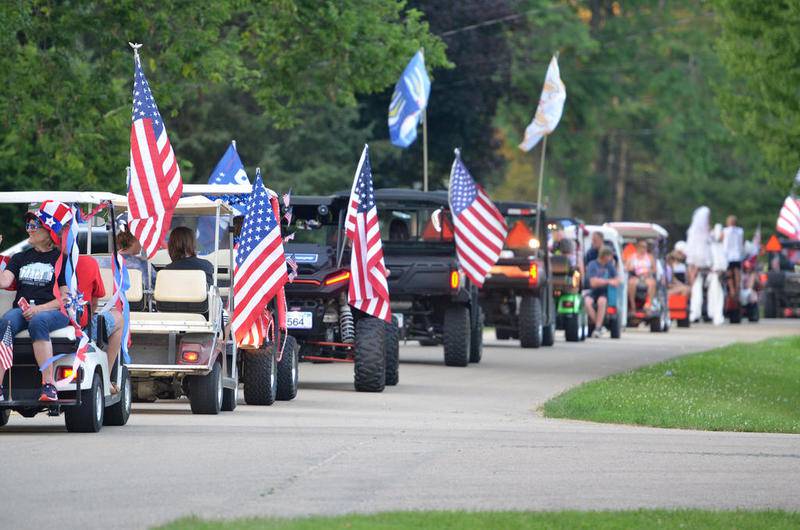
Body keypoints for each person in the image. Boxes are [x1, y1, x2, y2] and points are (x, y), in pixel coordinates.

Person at [0, 202, 72, 402]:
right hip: (23, 310)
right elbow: (4, 281)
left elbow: (65, 299)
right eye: (28, 225)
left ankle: (48, 386)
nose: (29, 229)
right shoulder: (20, 257)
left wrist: (38, 309)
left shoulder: (61, 260)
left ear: (48, 231)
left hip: (52, 311)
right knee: (6, 321)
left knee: (37, 321)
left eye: (34, 225)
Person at [75, 255, 124, 393]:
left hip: (33, 324)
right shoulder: (87, 262)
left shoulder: (28, 260)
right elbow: (94, 302)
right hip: (79, 329)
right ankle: (106, 380)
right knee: (118, 319)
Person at [584, 247, 620, 338]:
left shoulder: (610, 266)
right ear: (605, 256)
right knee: (587, 302)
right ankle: (599, 325)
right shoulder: (593, 265)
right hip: (593, 291)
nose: (611, 258)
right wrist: (608, 281)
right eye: (610, 256)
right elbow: (593, 282)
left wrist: (600, 281)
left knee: (602, 301)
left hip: (605, 292)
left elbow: (617, 281)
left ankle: (597, 328)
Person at [626, 239, 657, 312]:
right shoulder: (632, 257)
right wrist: (631, 268)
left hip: (646, 276)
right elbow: (626, 267)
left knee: (652, 283)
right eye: (642, 247)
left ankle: (648, 304)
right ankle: (632, 305)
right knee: (631, 283)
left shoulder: (649, 257)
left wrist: (649, 271)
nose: (644, 249)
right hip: (636, 275)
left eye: (645, 247)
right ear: (638, 247)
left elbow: (654, 269)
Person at [722, 215, 744, 301]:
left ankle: (732, 289)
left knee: (729, 273)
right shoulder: (740, 231)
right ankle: (737, 287)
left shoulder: (725, 231)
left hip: (728, 256)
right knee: (737, 272)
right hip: (737, 255)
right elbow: (741, 242)